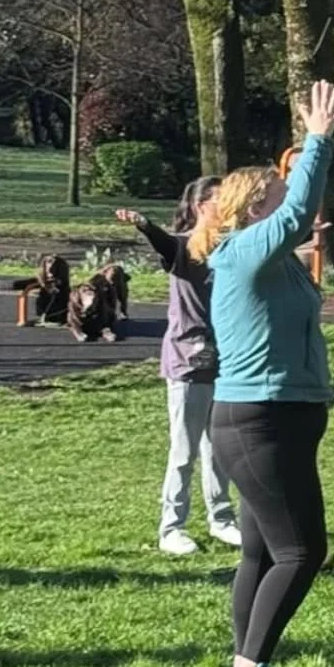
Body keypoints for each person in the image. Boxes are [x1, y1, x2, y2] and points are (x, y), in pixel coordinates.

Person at [190, 79, 334, 667]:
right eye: (280, 202)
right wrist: (319, 141)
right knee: (302, 551)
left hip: (275, 421)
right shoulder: (245, 248)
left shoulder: (266, 256)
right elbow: (295, 207)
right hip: (259, 423)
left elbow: (292, 232)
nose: (299, 213)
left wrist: (301, 251)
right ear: (255, 208)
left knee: (260, 551)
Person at [115, 179, 242, 556]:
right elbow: (166, 244)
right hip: (189, 360)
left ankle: (222, 520)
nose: (229, 205)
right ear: (202, 205)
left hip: (226, 359)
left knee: (219, 448)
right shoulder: (186, 246)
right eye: (222, 199)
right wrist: (146, 226)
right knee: (184, 450)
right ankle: (172, 528)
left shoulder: (232, 245)